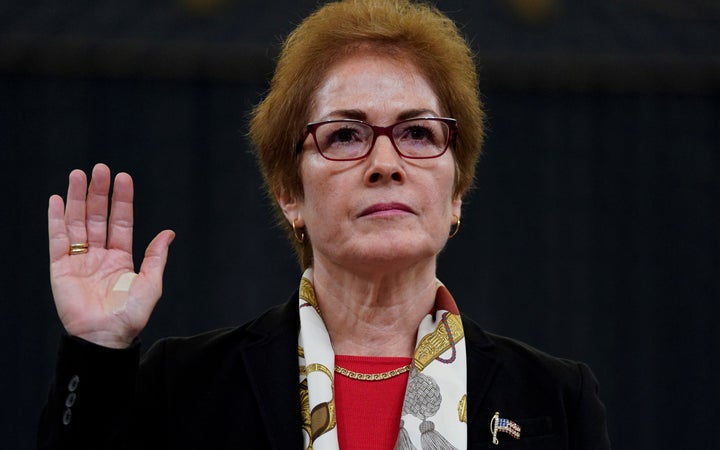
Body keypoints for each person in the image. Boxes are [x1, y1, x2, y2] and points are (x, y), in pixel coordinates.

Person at [38, 1, 610, 449]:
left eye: (418, 134)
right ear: (290, 193)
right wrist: (97, 347)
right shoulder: (184, 387)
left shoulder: (556, 399)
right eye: (345, 135)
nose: (386, 165)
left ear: (456, 191)